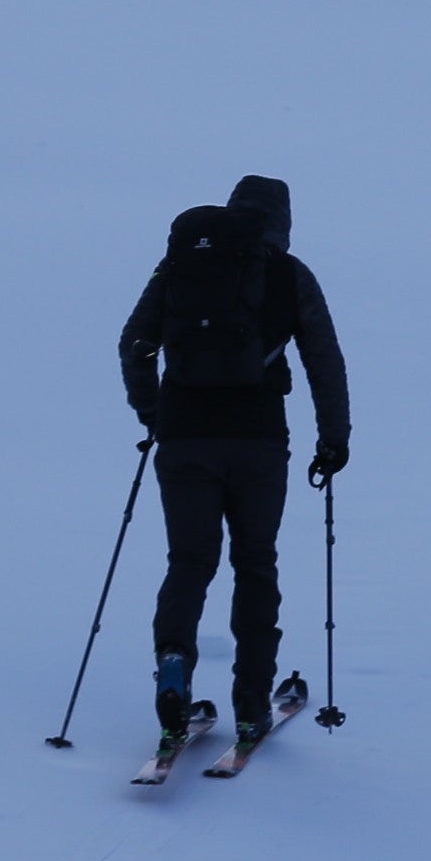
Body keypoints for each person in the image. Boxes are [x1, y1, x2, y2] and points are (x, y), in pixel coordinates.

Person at [118, 174, 349, 756]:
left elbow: (135, 344)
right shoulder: (290, 276)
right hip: (258, 441)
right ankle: (251, 705)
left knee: (190, 562)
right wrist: (334, 439)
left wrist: (154, 412)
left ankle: (173, 666)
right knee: (255, 562)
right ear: (283, 220)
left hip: (184, 439)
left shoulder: (180, 267)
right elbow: (324, 358)